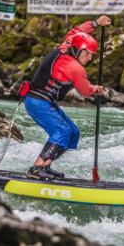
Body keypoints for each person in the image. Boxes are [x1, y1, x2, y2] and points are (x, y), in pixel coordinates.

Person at [22, 15, 111, 181]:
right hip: (37, 102)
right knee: (62, 131)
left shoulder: (68, 45)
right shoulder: (76, 68)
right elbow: (85, 91)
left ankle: (45, 165)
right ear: (77, 51)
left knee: (73, 133)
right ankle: (36, 169)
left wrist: (95, 23)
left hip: (44, 102)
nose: (90, 58)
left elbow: (77, 31)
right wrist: (96, 89)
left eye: (92, 54)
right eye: (88, 54)